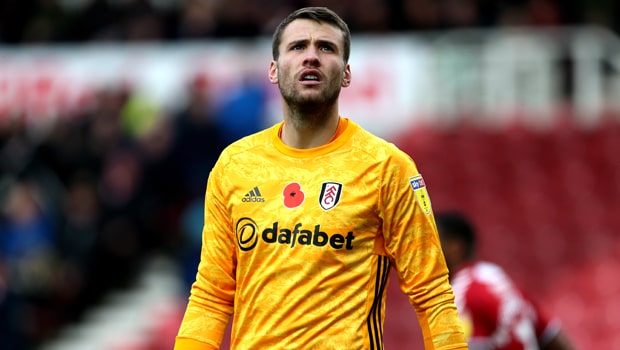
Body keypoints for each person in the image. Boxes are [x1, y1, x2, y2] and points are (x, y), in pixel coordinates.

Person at [174, 7, 467, 350]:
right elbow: (211, 291)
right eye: (297, 47)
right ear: (273, 69)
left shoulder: (387, 167)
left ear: (346, 74)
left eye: (326, 48)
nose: (311, 56)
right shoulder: (235, 165)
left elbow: (431, 291)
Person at [435, 211, 575, 350]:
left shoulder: (462, 292)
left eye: (431, 242)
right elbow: (551, 335)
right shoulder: (497, 278)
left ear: (455, 246)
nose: (425, 253)